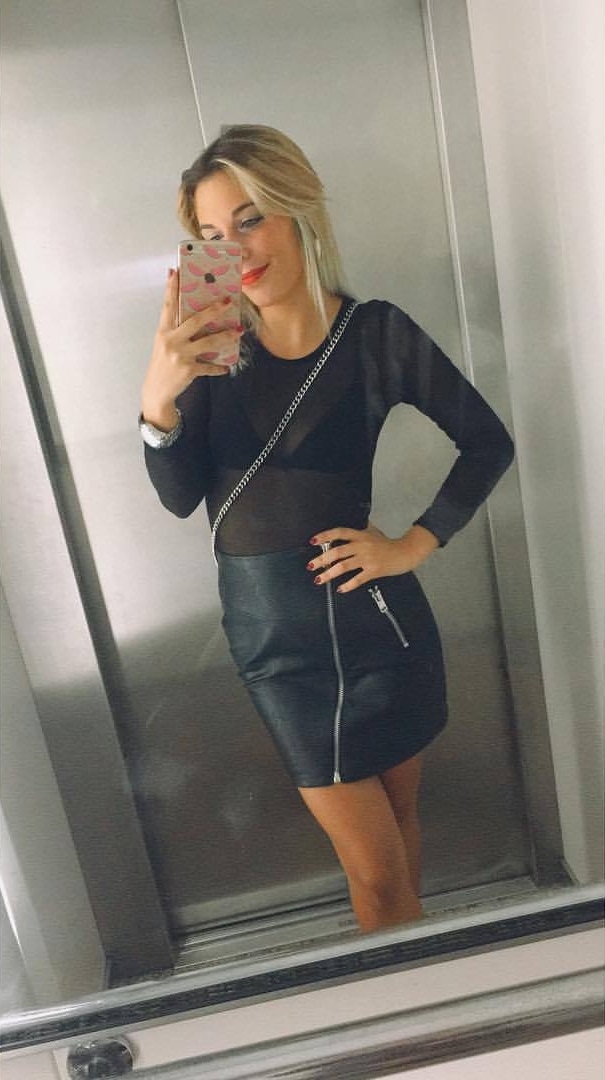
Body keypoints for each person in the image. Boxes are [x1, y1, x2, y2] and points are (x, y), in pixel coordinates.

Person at [140, 124, 514, 933]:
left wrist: (411, 545)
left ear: (297, 209)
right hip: (277, 648)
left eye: (250, 219)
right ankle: (413, 995)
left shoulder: (375, 335)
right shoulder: (212, 348)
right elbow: (178, 497)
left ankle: (413, 993)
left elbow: (488, 442)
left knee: (395, 844)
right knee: (374, 872)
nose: (235, 249)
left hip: (377, 623)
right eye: (211, 235)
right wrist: (158, 398)